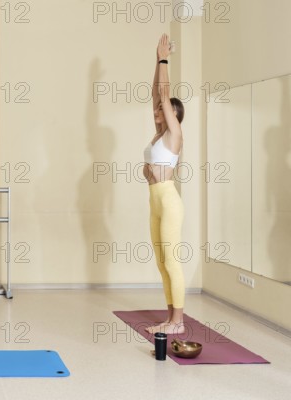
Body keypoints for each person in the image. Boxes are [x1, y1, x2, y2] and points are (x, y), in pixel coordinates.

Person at [143, 34, 186, 335]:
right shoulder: (158, 136)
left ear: (173, 116)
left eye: (164, 109)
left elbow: (164, 90)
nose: (158, 109)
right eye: (159, 108)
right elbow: (155, 93)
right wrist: (154, 59)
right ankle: (170, 318)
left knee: (171, 261)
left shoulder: (174, 135)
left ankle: (179, 322)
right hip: (154, 200)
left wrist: (163, 59)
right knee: (161, 263)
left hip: (169, 201)